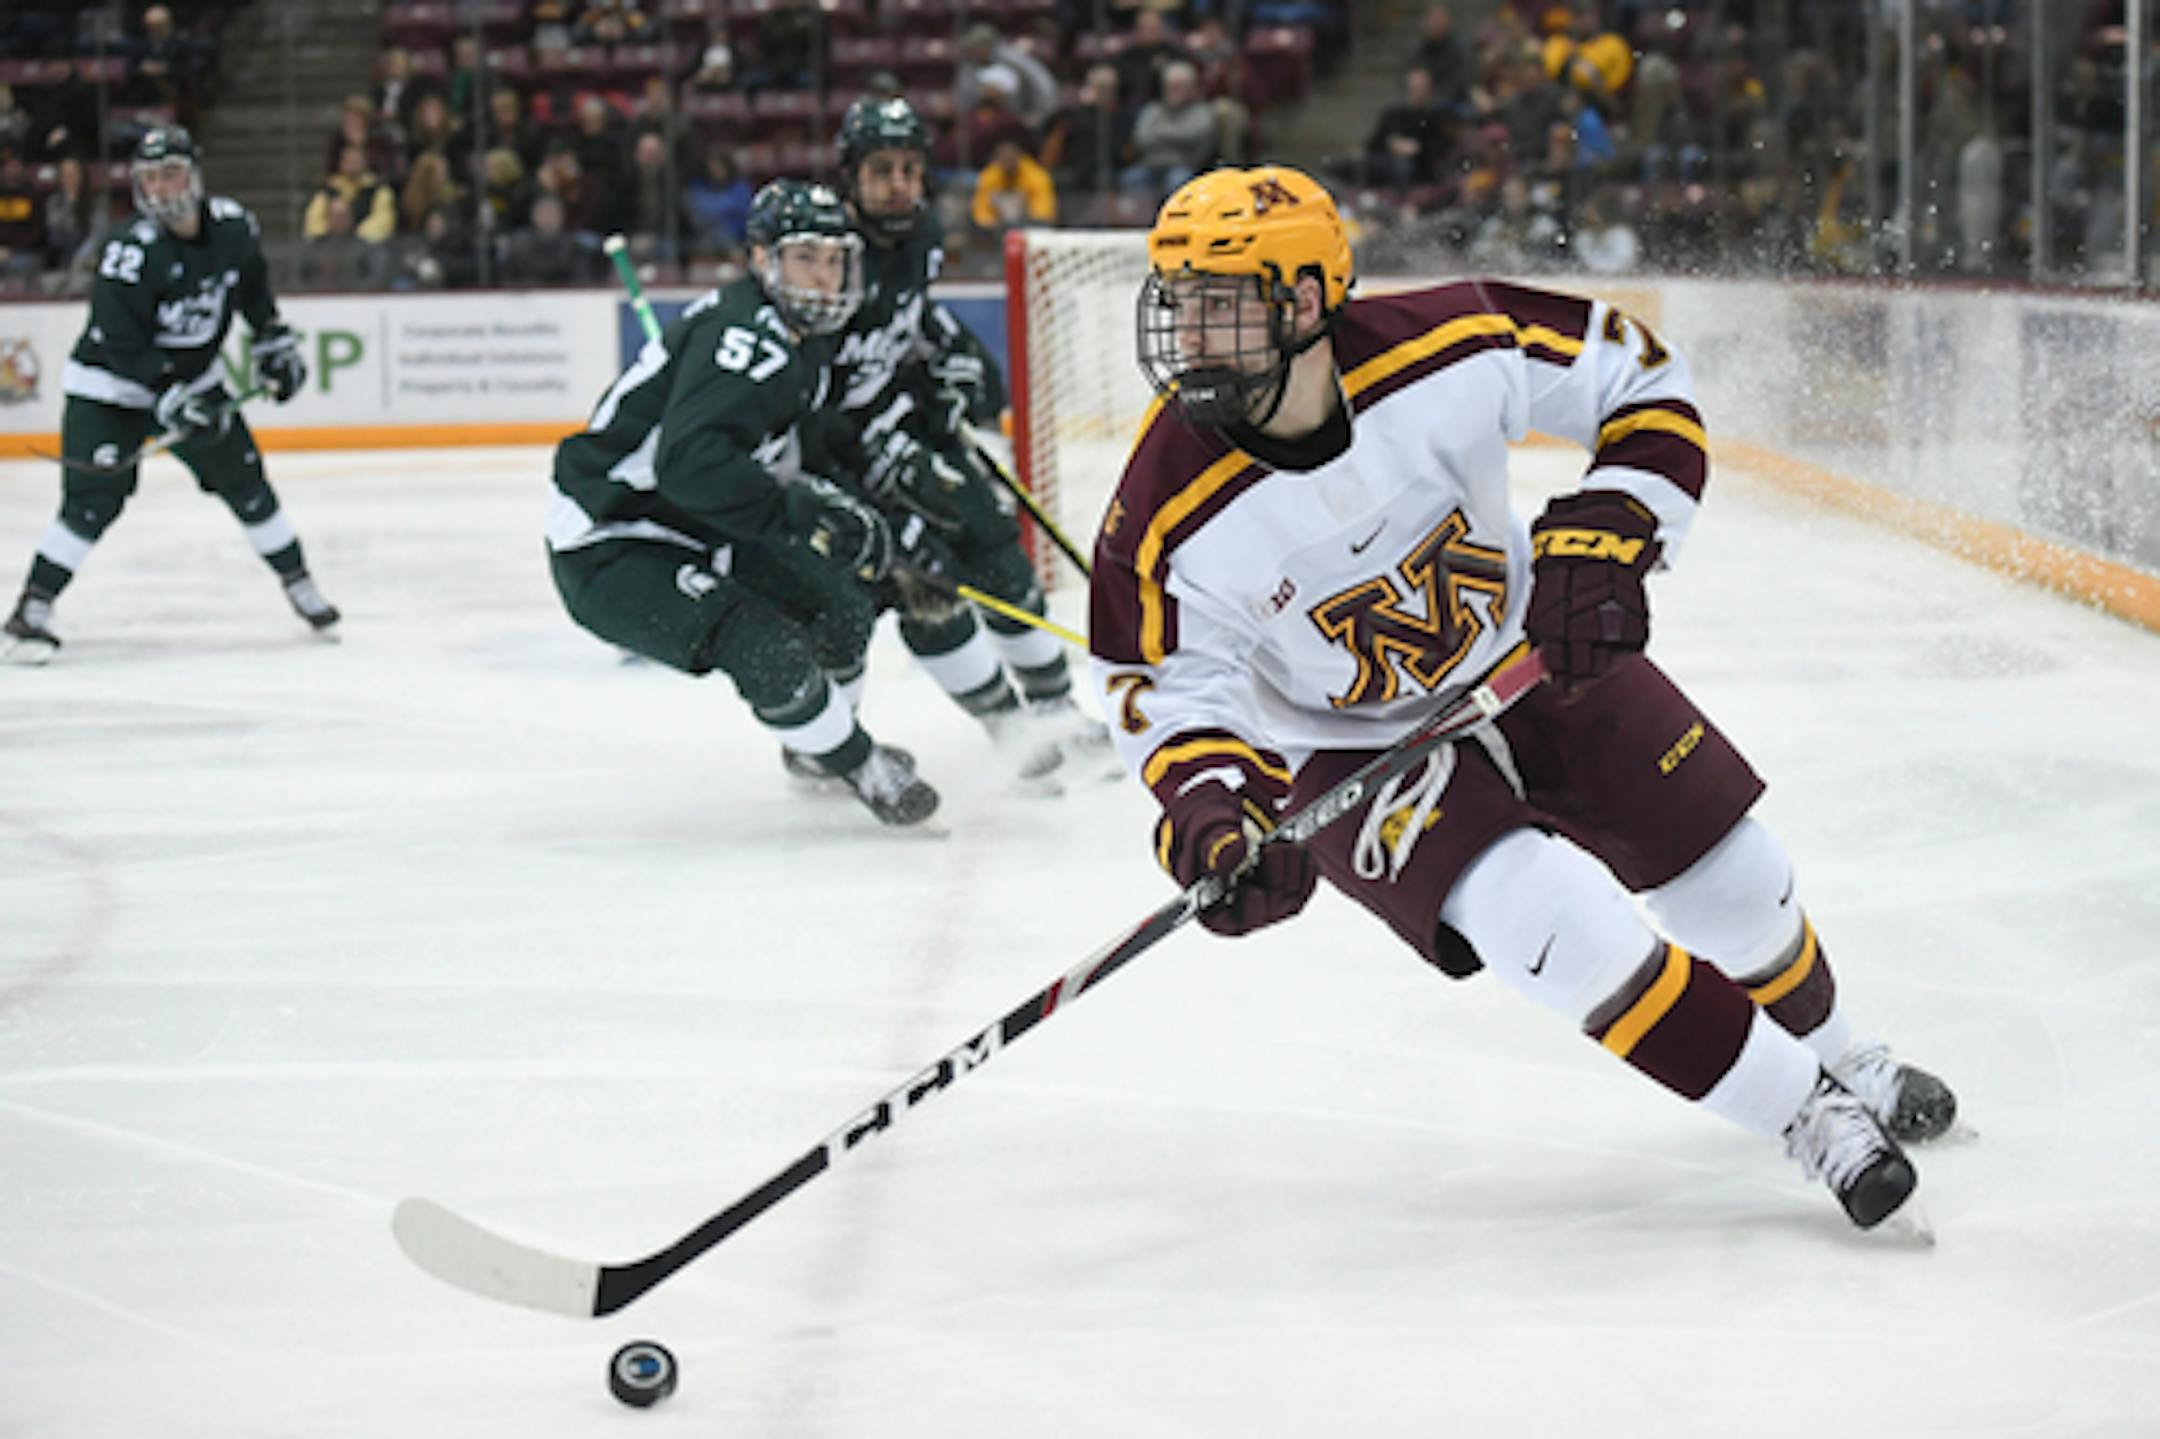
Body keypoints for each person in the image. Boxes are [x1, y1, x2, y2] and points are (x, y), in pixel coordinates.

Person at [1090, 165, 1957, 1230]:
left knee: (1740, 881)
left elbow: (1641, 383)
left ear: (1306, 300)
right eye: (1173, 299)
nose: (1182, 331)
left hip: (1524, 654)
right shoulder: (1158, 506)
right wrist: (1218, 811)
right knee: (1552, 925)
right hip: (1354, 747)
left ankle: (1841, 1054)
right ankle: (1805, 1114)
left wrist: (1608, 530)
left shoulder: (1451, 338)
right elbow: (1165, 691)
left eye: (1213, 303)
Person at [546, 179, 937, 828]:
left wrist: (835, 501)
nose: (824, 275)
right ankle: (857, 761)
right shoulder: (744, 338)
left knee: (841, 601)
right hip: (608, 542)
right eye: (806, 256)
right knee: (765, 647)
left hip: (697, 519)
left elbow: (776, 450)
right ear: (762, 259)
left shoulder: (797, 339)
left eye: (835, 258)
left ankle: (817, 751)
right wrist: (798, 506)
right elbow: (688, 466)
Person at [817, 96, 1114, 791]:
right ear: (848, 176)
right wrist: (859, 458)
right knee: (925, 583)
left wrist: (954, 367)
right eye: (882, 170)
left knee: (998, 550)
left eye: (911, 170)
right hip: (841, 463)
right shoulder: (828, 258)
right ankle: (1002, 727)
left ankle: (1053, 708)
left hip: (904, 433)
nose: (899, 184)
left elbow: (919, 321)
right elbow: (802, 390)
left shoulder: (918, 236)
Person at [2, 126, 331, 664]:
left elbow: (251, 287)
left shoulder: (232, 227)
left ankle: (300, 585)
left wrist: (271, 340)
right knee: (92, 501)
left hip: (191, 382)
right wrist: (169, 394)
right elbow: (120, 341)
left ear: (195, 175)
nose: (161, 186)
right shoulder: (128, 254)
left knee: (246, 483)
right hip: (109, 390)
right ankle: (32, 609)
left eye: (171, 172)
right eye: (149, 178)